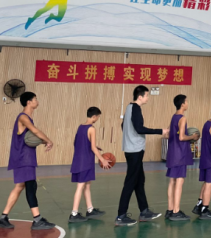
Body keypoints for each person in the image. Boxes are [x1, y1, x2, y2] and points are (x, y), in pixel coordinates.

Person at [1, 92, 55, 230]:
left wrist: (43, 141)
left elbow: (31, 137)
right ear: (29, 102)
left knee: (20, 186)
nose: (37, 101)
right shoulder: (23, 117)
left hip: (25, 157)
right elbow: (35, 132)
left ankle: (3, 217)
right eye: (35, 99)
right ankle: (37, 220)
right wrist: (48, 141)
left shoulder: (27, 117)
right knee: (31, 186)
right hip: (23, 158)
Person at [115, 85, 168, 227]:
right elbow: (139, 128)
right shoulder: (136, 109)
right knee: (130, 182)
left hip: (132, 149)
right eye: (147, 95)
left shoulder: (129, 108)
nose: (148, 98)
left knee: (139, 180)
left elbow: (123, 125)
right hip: (135, 150)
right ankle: (121, 216)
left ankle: (144, 211)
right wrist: (160, 131)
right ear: (140, 97)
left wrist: (129, 137)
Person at [69, 107, 111, 223]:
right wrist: (102, 159)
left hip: (79, 160)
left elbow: (76, 143)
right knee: (80, 186)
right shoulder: (91, 129)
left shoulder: (80, 127)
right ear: (94, 116)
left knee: (87, 185)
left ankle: (90, 209)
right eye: (98, 117)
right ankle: (74, 213)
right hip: (85, 161)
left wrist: (92, 147)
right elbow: (92, 147)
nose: (98, 119)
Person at [165, 95, 200, 221]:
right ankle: (176, 211)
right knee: (179, 181)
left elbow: (169, 134)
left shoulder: (173, 117)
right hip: (180, 154)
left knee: (172, 181)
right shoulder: (182, 118)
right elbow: (181, 137)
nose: (187, 103)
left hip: (172, 152)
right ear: (182, 104)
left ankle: (170, 210)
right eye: (186, 101)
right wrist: (193, 137)